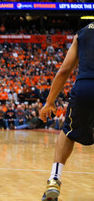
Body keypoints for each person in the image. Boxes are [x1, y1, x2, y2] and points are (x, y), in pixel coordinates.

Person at [40, 23, 94, 200]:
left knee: (68, 132)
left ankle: (54, 179)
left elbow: (64, 70)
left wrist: (49, 102)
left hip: (85, 87)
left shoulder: (84, 32)